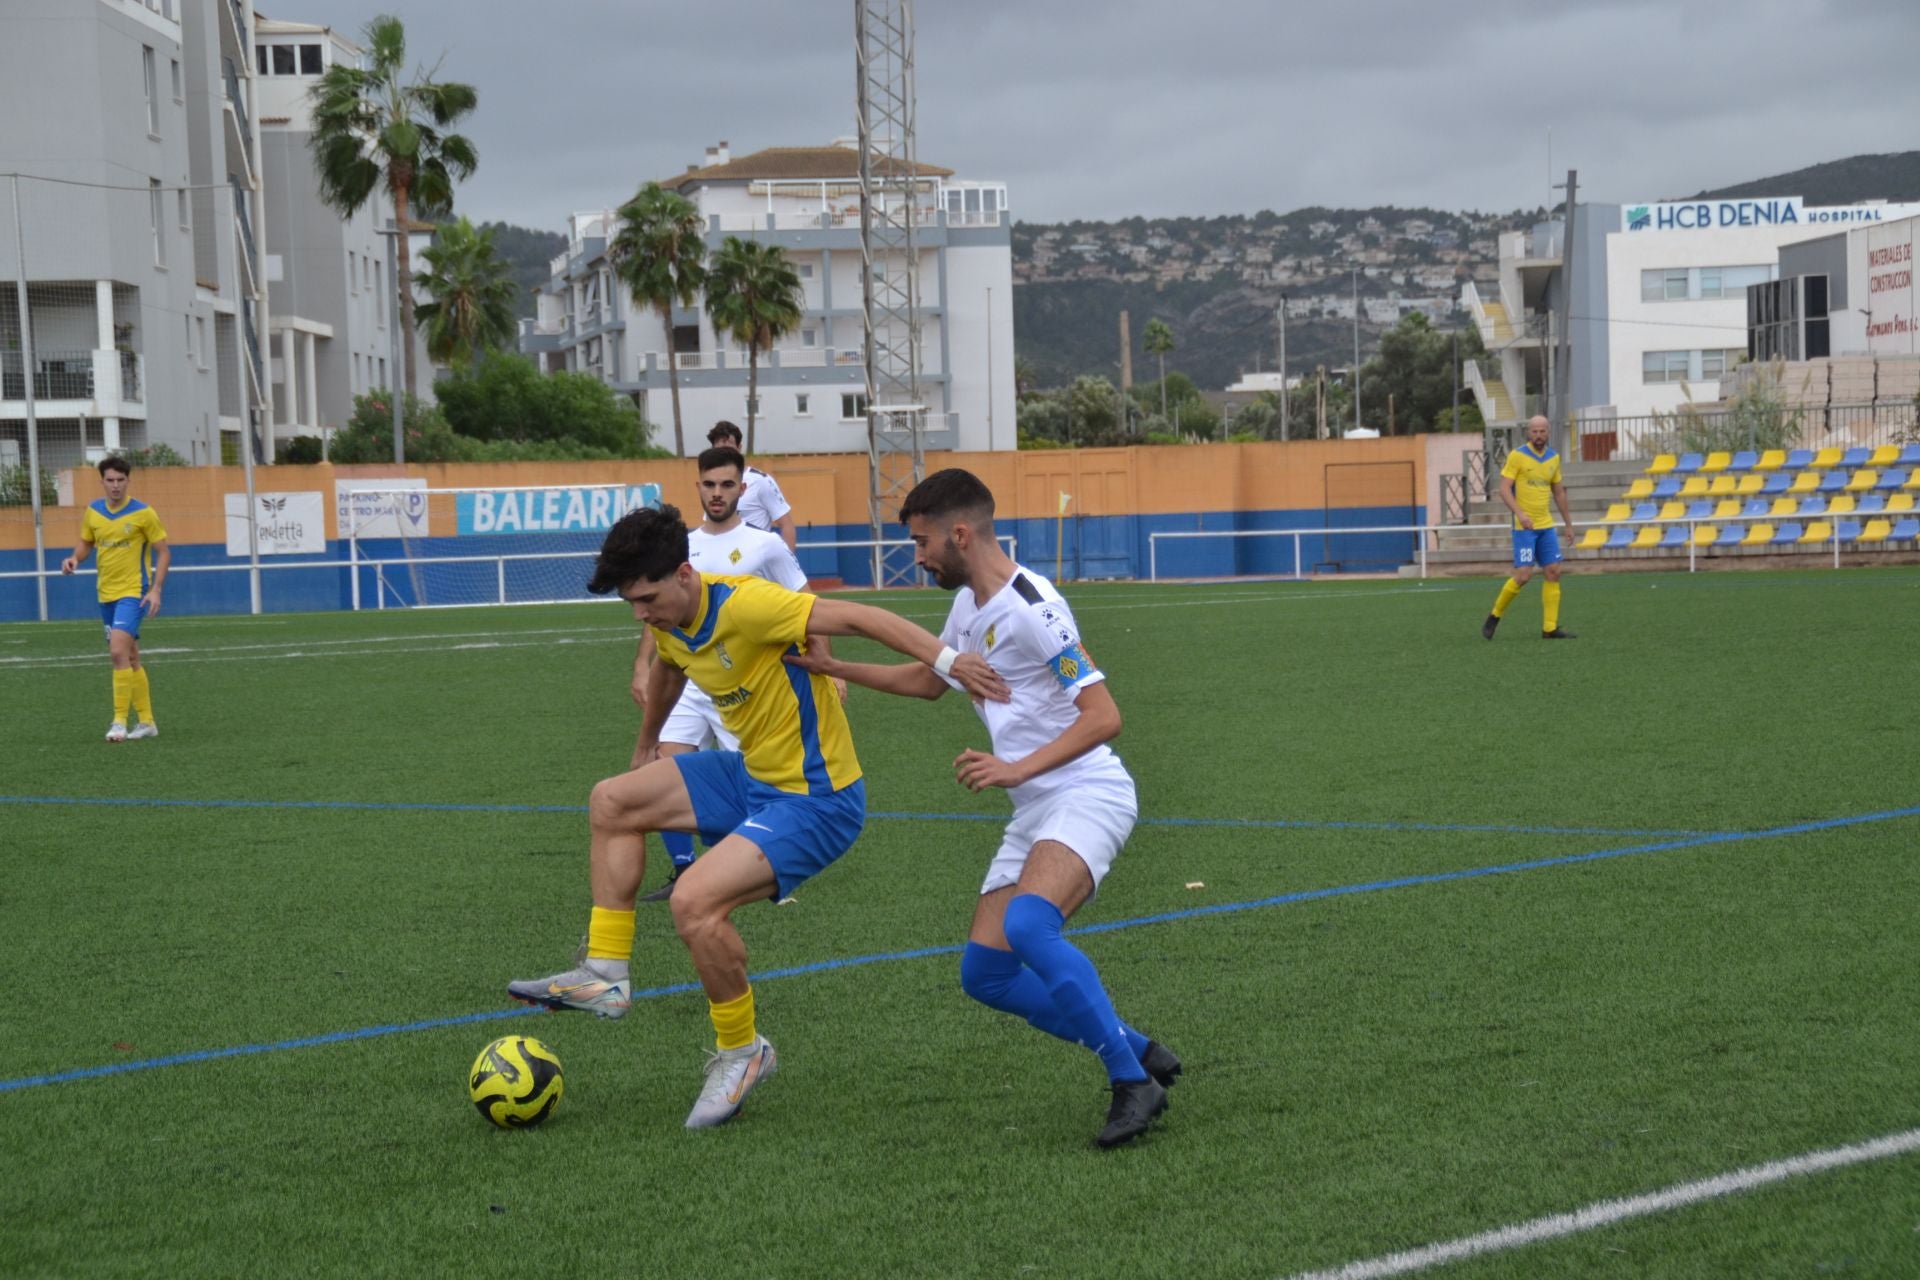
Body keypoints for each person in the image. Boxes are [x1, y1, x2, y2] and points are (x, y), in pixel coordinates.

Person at [509, 503, 1007, 1130]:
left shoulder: (747, 606)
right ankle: (606, 975)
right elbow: (667, 665)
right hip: (752, 778)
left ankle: (743, 1052)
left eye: (646, 597)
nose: (641, 613)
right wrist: (646, 742)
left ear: (685, 575)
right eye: (630, 603)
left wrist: (948, 662)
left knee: (693, 902)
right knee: (612, 799)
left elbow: (860, 615)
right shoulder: (669, 620)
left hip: (817, 799)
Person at [785, 468, 1178, 1149]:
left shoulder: (1034, 608)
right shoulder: (971, 603)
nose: (918, 555)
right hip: (1037, 804)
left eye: (921, 542)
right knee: (986, 972)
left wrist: (1014, 767)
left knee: (1029, 925)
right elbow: (931, 680)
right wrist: (834, 669)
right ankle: (1139, 1050)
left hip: (1088, 792)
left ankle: (1129, 1081)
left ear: (958, 533)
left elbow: (1103, 714)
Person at [630, 446, 843, 903]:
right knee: (666, 764)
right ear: (698, 487)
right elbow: (662, 614)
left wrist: (829, 668)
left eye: (727, 485)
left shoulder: (765, 546)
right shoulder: (682, 546)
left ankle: (762, 860)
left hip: (745, 686)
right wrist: (641, 668)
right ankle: (683, 870)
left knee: (753, 784)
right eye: (709, 484)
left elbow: (810, 607)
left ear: (742, 490)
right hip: (691, 679)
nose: (717, 493)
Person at [61, 456, 170, 741]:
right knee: (131, 657)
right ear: (102, 482)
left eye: (121, 480)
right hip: (105, 594)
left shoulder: (143, 513)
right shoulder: (94, 512)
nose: (116, 486)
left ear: (128, 481)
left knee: (117, 653)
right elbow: (86, 543)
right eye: (110, 480)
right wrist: (74, 558)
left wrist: (156, 588)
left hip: (133, 592)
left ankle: (119, 721)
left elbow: (163, 551)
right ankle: (147, 722)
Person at [1483, 415, 1577, 640]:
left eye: (1542, 431)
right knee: (1524, 575)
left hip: (1545, 526)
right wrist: (1520, 514)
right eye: (1534, 431)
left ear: (1548, 432)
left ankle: (1550, 628)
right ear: (1528, 432)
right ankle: (1494, 616)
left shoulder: (1553, 458)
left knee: (1554, 572)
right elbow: (1504, 489)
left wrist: (1568, 524)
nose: (1538, 435)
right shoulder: (1517, 456)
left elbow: (1559, 492)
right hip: (1524, 527)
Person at [707, 420, 796, 551]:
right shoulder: (710, 485)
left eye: (729, 447)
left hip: (755, 564)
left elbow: (786, 525)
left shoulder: (760, 481)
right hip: (725, 564)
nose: (724, 454)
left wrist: (788, 565)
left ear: (739, 448)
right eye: (719, 449)